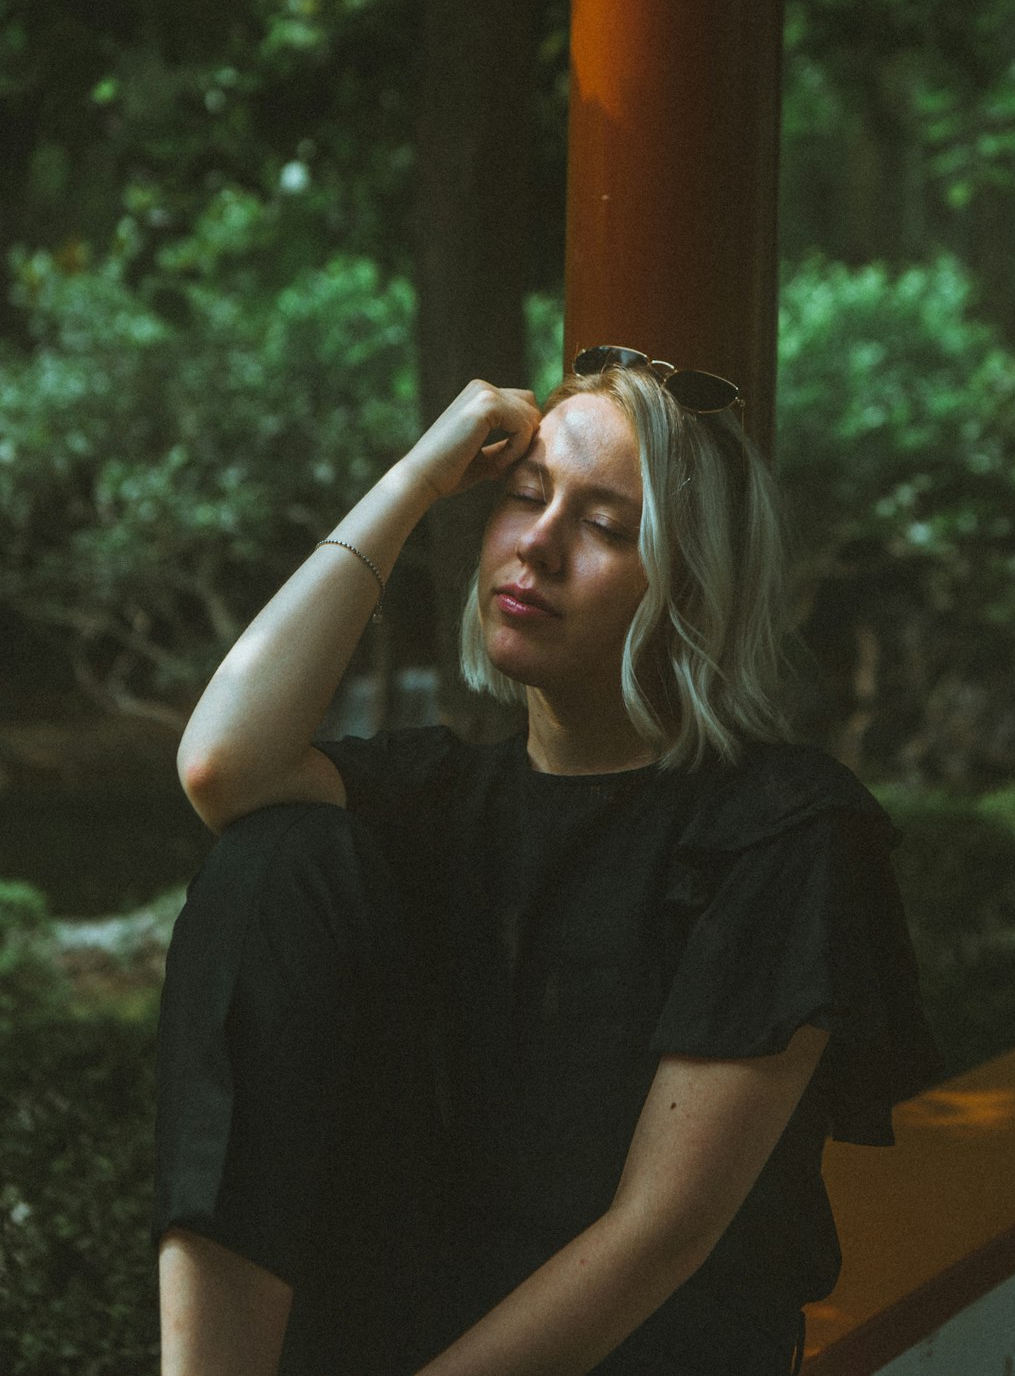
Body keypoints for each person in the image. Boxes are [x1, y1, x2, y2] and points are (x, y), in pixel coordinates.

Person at [155, 348, 940, 1376]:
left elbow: (659, 1236)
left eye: (607, 527)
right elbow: (221, 763)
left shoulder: (781, 831)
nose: (539, 545)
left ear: (695, 592)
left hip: (645, 1351)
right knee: (272, 855)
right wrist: (415, 480)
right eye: (525, 498)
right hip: (405, 1327)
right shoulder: (431, 800)